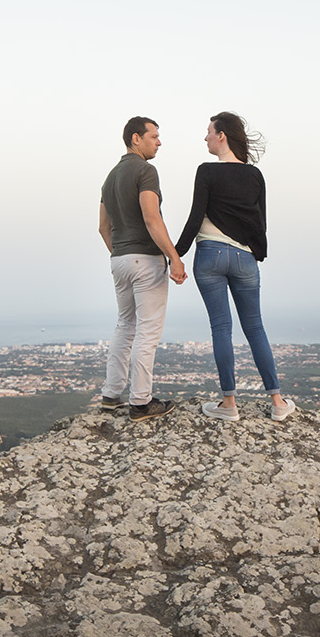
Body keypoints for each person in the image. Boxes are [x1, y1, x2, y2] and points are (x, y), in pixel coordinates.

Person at [174, 112, 295, 421]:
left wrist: (176, 255)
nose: (205, 138)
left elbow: (194, 217)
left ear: (222, 135)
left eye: (209, 132)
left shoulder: (206, 172)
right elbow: (260, 222)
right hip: (244, 258)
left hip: (210, 254)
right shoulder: (255, 176)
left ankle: (229, 405)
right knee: (255, 327)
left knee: (221, 328)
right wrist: (258, 254)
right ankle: (278, 402)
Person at [97, 116, 186, 420]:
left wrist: (121, 254)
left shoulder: (110, 177)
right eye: (154, 136)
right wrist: (173, 257)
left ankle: (111, 395)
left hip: (119, 259)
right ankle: (140, 402)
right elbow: (152, 218)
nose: (159, 142)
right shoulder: (146, 171)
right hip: (145, 259)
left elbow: (102, 227)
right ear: (136, 138)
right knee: (148, 331)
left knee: (125, 326)